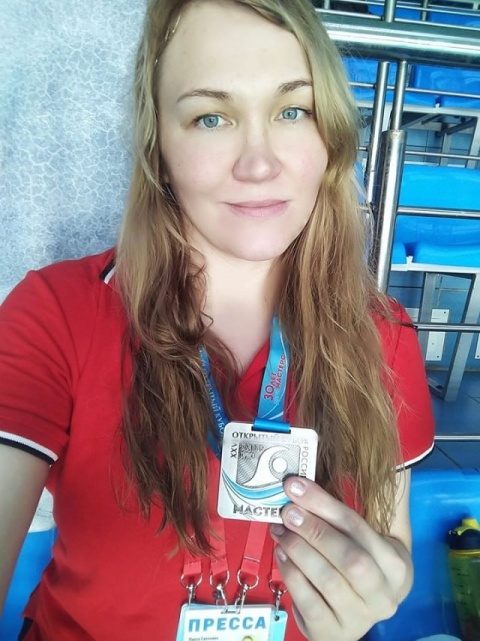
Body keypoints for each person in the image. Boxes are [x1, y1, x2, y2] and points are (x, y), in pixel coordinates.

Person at [0, 0, 434, 640]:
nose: (259, 164)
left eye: (293, 110)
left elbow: (392, 543)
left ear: (331, 136)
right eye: (211, 117)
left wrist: (376, 589)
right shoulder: (56, 313)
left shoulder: (383, 336)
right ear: (158, 147)